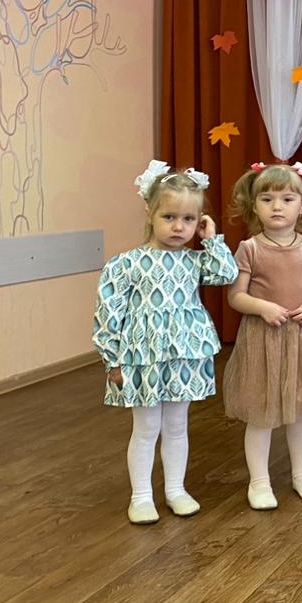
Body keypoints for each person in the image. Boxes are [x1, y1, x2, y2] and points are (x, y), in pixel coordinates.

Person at [93, 161, 238, 525]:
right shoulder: (126, 264)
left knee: (176, 426)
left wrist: (212, 238)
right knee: (146, 429)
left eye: (189, 219)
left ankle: (176, 489)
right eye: (169, 217)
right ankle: (141, 496)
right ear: (150, 213)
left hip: (184, 354)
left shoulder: (194, 261)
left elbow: (226, 273)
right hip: (142, 357)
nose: (178, 227)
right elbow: (108, 314)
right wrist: (112, 360)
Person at [224, 162, 302, 512]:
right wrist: (262, 307)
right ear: (254, 205)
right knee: (261, 412)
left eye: (287, 199)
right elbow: (236, 296)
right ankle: (259, 481)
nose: (276, 206)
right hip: (263, 339)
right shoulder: (250, 248)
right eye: (267, 199)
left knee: (301, 411)